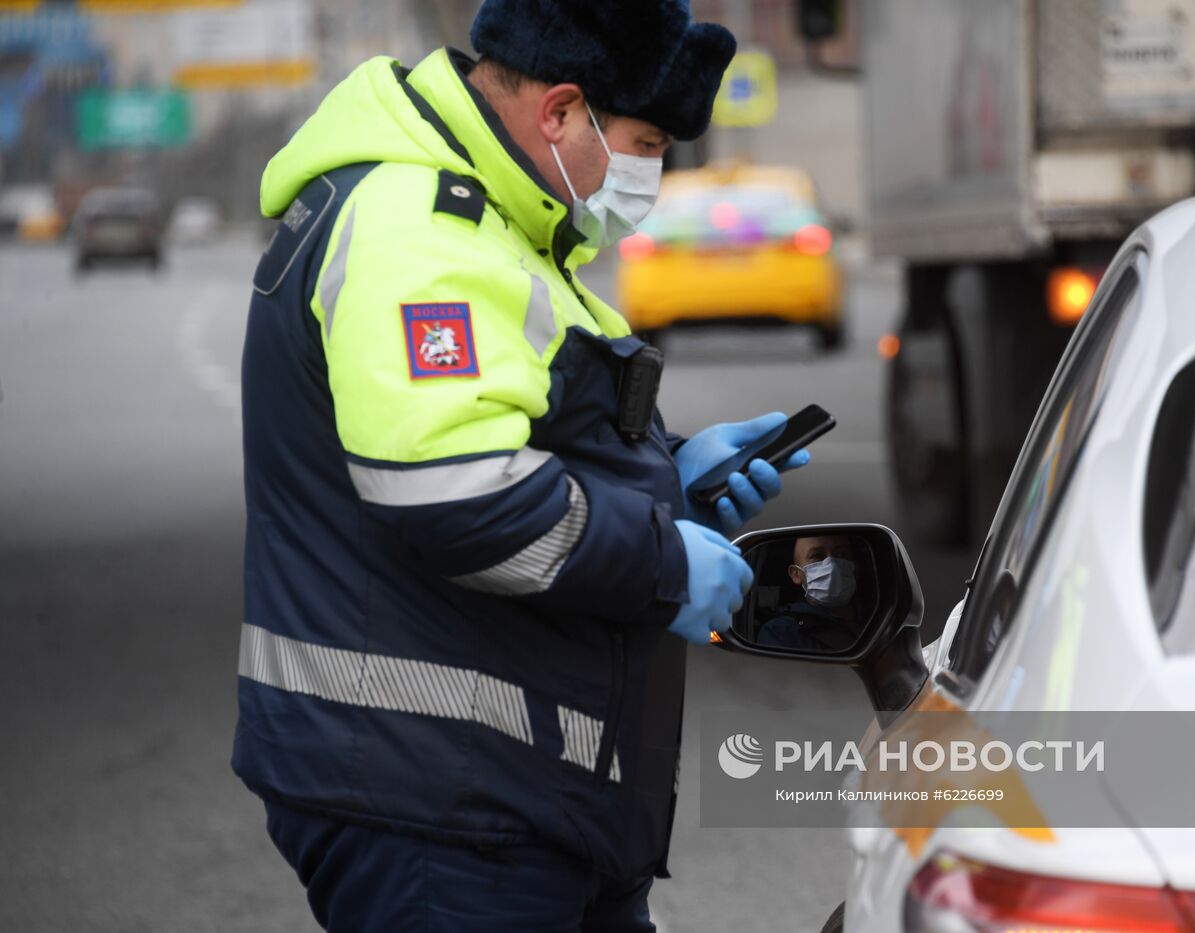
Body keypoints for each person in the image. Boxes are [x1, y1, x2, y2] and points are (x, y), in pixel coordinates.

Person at [231, 3, 811, 929]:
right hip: (435, 806)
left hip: (506, 794)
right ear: (560, 113)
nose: (649, 174)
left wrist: (669, 478)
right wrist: (666, 564)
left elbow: (519, 435)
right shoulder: (417, 229)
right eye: (645, 141)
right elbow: (451, 493)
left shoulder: (504, 222)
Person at [758, 535, 867, 652]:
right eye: (817, 556)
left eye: (841, 554)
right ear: (796, 574)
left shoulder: (881, 612)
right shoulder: (781, 632)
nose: (832, 564)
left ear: (855, 567)